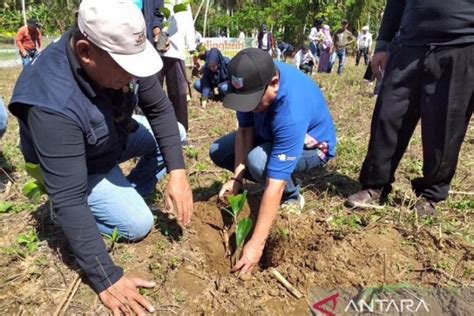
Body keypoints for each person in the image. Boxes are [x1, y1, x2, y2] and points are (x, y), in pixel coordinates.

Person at [8, 1, 193, 314]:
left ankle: (123, 192)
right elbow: (69, 197)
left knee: (177, 133)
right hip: (77, 165)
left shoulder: (123, 51)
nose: (133, 74)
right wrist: (106, 277)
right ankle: (88, 209)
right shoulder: (50, 101)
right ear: (85, 51)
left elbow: (160, 109)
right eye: (125, 67)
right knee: (138, 224)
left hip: (112, 134)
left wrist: (178, 172)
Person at [210, 48, 336, 277]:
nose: (249, 106)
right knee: (218, 151)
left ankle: (292, 196)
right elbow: (245, 131)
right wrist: (236, 179)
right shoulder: (252, 82)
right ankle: (264, 168)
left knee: (258, 162)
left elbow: (275, 183)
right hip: (269, 133)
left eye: (253, 102)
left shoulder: (291, 108)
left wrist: (256, 246)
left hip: (311, 147)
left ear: (274, 83)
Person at [345, 0, 474, 217]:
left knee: (444, 126)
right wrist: (383, 44)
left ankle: (431, 195)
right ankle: (375, 185)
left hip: (461, 44)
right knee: (388, 114)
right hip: (407, 45)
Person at [155, 0, 196, 131]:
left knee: (178, 93)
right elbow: (157, 19)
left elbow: (188, 23)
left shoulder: (183, 3)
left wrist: (191, 46)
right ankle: (152, 128)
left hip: (176, 49)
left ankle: (181, 130)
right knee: (154, 90)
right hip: (158, 46)